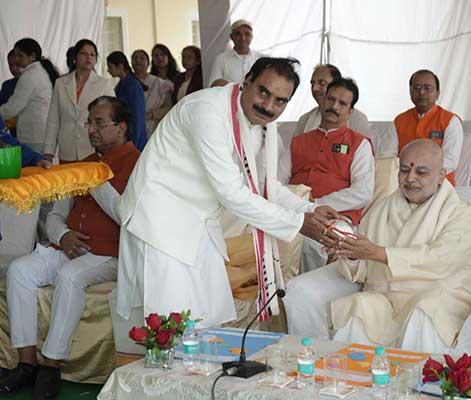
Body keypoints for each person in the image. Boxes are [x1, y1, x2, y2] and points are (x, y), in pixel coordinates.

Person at [116, 57, 340, 327]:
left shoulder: (261, 124)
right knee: (168, 322)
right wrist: (299, 223)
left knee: (207, 316)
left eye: (280, 101)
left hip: (199, 222)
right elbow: (231, 192)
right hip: (160, 222)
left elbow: (265, 185)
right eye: (263, 92)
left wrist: (310, 209)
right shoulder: (207, 111)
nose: (268, 106)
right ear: (247, 81)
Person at [285, 139, 471, 353]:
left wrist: (379, 253)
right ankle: (353, 373)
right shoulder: (381, 210)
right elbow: (364, 270)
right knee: (361, 307)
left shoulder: (459, 212)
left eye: (421, 172)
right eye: (404, 170)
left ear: (441, 176)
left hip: (444, 294)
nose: (410, 178)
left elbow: (441, 260)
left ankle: (417, 375)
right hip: (388, 297)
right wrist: (351, 253)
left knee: (423, 311)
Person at [0, 96, 140, 399]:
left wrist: (94, 181)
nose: (91, 130)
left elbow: (128, 217)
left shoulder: (139, 164)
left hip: (109, 253)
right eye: (89, 123)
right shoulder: (83, 163)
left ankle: (51, 365)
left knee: (70, 276)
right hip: (68, 248)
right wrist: (63, 235)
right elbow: (55, 215)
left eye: (99, 123)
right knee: (19, 271)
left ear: (121, 127)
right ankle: (27, 363)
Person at [279, 77, 374, 273]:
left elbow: (363, 192)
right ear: (322, 101)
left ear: (350, 111)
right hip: (294, 211)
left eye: (342, 103)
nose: (334, 106)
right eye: (331, 99)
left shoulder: (359, 144)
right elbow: (277, 181)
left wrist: (317, 205)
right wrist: (297, 205)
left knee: (310, 241)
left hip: (336, 217)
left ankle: (303, 289)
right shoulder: (299, 141)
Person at [43, 39, 115, 163]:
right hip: (67, 149)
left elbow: (113, 116)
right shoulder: (60, 83)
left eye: (92, 55)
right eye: (83, 53)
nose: (88, 57)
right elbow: (53, 119)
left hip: (93, 149)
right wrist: (48, 151)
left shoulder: (104, 84)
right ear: (75, 58)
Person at [393, 69, 463, 186]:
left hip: (439, 184)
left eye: (428, 88)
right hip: (404, 183)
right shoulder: (399, 120)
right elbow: (389, 157)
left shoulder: (450, 121)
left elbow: (451, 160)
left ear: (437, 93)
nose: (421, 92)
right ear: (410, 91)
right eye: (417, 88)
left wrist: (421, 173)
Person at [0, 38, 59, 152]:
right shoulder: (39, 72)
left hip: (34, 137)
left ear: (32, 56)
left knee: (34, 164)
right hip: (39, 135)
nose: (16, 59)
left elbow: (12, 108)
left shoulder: (30, 76)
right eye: (15, 55)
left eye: (20, 55)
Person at [293, 64, 372, 146]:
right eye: (312, 83)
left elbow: (365, 150)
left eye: (322, 83)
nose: (314, 88)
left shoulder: (358, 119)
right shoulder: (305, 119)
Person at [107, 51, 148, 151]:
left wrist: (133, 144)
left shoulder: (133, 85)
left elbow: (138, 116)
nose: (108, 70)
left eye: (110, 67)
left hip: (135, 139)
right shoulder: (121, 85)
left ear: (120, 66)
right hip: (125, 136)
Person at [208, 19, 266, 87]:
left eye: (247, 34)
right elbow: (214, 83)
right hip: (229, 94)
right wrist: (239, 88)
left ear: (251, 37)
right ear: (231, 37)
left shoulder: (261, 58)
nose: (243, 38)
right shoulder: (221, 59)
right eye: (238, 34)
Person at [131, 49, 173, 136]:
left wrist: (152, 115)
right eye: (135, 58)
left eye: (142, 58)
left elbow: (168, 107)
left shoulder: (160, 83)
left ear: (148, 63)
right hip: (132, 127)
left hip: (154, 127)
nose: (138, 60)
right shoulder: (126, 83)